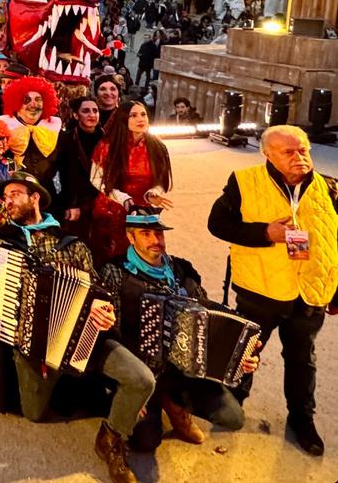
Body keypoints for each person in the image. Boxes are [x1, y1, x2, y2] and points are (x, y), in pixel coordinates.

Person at [0, 172, 153, 483]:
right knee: (35, 413)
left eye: (15, 194)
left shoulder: (72, 244)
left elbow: (98, 292)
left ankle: (111, 438)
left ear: (35, 198)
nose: (7, 201)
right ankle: (95, 394)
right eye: (6, 196)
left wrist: (105, 311)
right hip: (31, 350)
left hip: (82, 341)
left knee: (142, 380)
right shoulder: (2, 246)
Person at [207, 125, 337, 457]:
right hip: (259, 290)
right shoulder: (244, 182)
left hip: (309, 292)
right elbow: (217, 225)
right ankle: (232, 403)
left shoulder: (329, 187)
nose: (299, 157)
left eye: (303, 150)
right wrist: (265, 232)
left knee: (302, 359)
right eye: (288, 152)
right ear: (267, 153)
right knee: (245, 352)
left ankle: (302, 418)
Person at [99, 212, 259, 455]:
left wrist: (242, 358)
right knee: (145, 442)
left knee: (233, 418)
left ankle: (173, 403)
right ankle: (155, 399)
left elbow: (209, 321)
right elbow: (108, 339)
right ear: (131, 238)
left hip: (185, 373)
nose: (155, 240)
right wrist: (127, 387)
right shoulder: (115, 273)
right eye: (146, 234)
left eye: (159, 233)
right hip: (144, 373)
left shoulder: (182, 271)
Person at [90, 100, 173, 263]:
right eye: (133, 115)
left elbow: (161, 179)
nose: (140, 119)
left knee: (145, 257)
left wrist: (153, 194)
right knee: (111, 259)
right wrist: (122, 198)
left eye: (143, 114)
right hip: (111, 211)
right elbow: (96, 179)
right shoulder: (107, 146)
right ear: (123, 119)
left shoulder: (157, 146)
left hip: (143, 213)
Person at [0, 75, 61, 196]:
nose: (33, 104)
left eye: (38, 100)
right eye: (26, 100)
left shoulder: (55, 128)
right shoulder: (0, 124)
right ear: (16, 102)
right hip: (8, 196)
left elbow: (68, 167)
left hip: (46, 195)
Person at [53, 95, 104, 237]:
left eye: (95, 111)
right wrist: (71, 203)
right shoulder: (66, 138)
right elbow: (64, 173)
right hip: (78, 201)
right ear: (76, 115)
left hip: (102, 198)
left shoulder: (106, 138)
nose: (92, 115)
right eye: (86, 111)